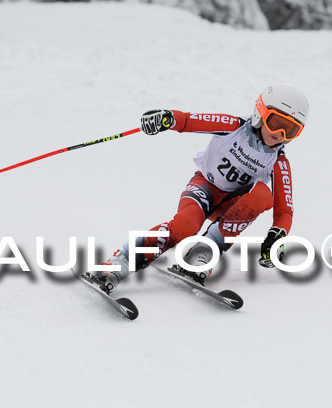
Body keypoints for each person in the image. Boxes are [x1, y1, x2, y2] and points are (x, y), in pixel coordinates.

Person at [87, 83, 309, 293]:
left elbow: (284, 210)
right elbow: (189, 121)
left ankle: (204, 251)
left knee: (263, 194)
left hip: (233, 206)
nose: (280, 134)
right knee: (185, 226)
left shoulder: (278, 162)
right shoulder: (234, 126)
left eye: (291, 130)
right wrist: (168, 118)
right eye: (275, 122)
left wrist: (276, 235)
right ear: (260, 113)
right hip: (205, 188)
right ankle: (122, 260)